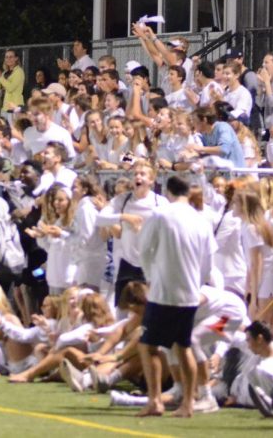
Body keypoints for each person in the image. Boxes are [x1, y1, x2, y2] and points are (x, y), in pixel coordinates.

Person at [136, 176, 216, 418]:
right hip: (189, 293)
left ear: (169, 191)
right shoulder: (200, 219)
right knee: (183, 346)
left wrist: (150, 277)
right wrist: (197, 284)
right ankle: (189, 404)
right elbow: (208, 260)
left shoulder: (161, 214)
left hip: (164, 291)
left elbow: (144, 248)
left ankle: (155, 400)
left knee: (147, 345)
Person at [95, 162, 165, 306]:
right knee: (121, 310)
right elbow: (99, 219)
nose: (138, 177)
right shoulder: (123, 200)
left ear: (151, 180)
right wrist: (124, 217)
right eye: (135, 174)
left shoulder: (160, 203)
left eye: (142, 174)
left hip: (150, 265)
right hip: (127, 264)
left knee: (147, 311)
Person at [0, 49, 25, 118]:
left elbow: (10, 88)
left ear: (16, 58)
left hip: (14, 107)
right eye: (6, 57)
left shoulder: (19, 72)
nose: (8, 59)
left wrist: (0, 77)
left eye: (11, 57)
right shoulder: (5, 72)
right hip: (3, 108)